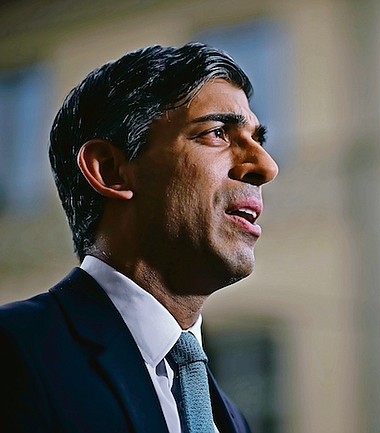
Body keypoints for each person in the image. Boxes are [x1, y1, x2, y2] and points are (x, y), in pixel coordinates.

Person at [0, 43, 278, 433]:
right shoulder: (14, 352)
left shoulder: (231, 418)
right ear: (111, 170)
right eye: (217, 133)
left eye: (258, 140)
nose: (265, 166)